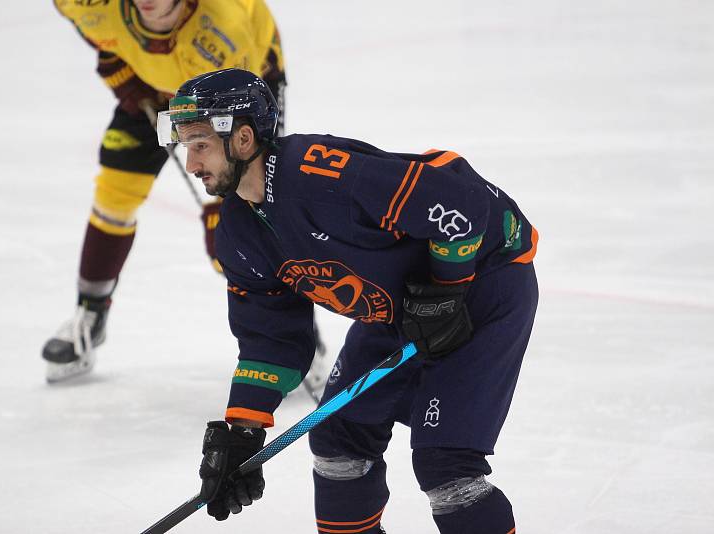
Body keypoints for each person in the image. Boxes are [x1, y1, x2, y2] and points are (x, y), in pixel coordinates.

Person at [161, 69, 539, 533]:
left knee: (448, 466)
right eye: (184, 146)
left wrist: (446, 286)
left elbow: (459, 204)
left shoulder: (322, 172)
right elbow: (270, 341)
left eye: (199, 144)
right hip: (402, 304)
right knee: (338, 442)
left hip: (484, 281)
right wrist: (243, 429)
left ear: (242, 138)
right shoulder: (238, 234)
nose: (191, 162)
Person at [43, 0, 286, 382]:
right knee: (115, 193)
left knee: (250, 208)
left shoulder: (224, 30)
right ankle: (91, 312)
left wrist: (228, 207)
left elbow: (236, 131)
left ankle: (288, 332)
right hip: (154, 79)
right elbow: (90, 27)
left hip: (235, 93)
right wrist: (117, 64)